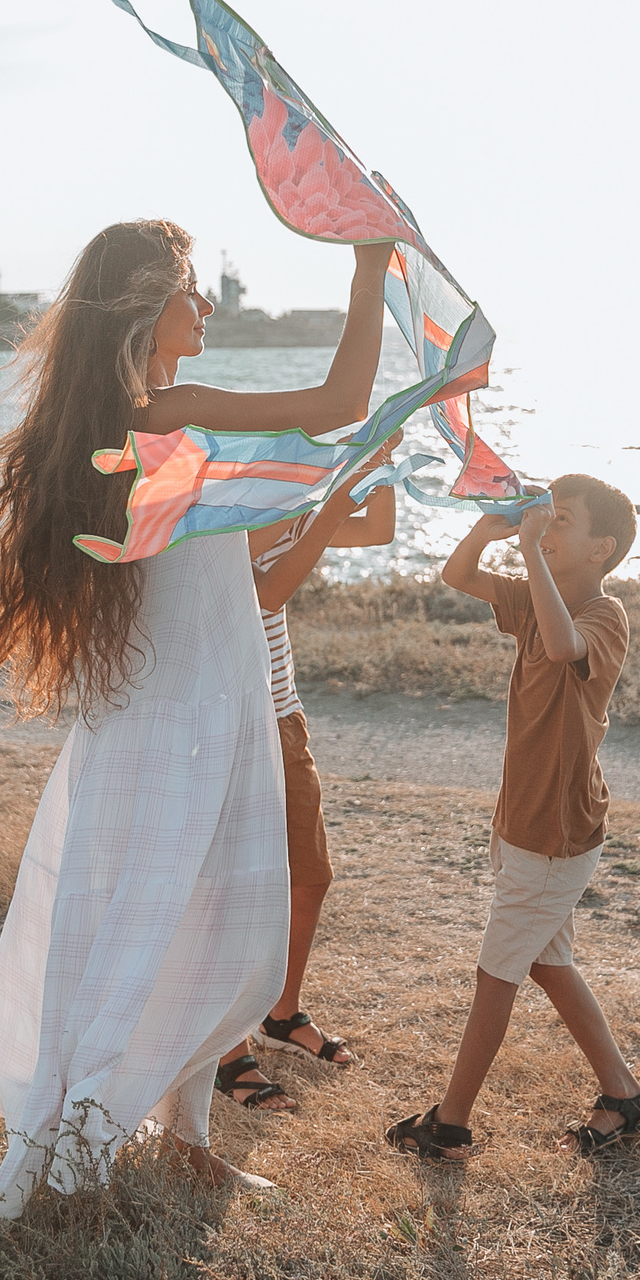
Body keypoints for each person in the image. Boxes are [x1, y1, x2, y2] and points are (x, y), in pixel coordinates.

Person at [0, 219, 395, 1217]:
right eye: (194, 288)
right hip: (189, 724)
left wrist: (344, 485)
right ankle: (94, 1128)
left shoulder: (134, 430)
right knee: (184, 921)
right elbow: (338, 402)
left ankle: (170, 1134)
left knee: (150, 920)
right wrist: (367, 271)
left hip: (163, 720)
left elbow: (255, 579)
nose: (210, 306)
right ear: (148, 304)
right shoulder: (170, 412)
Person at [384, 474, 640, 1162]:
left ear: (602, 548)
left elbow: (567, 649)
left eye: (563, 519)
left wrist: (532, 552)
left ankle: (449, 1123)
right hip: (522, 822)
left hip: (555, 833)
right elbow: (458, 572)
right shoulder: (535, 600)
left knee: (497, 971)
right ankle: (623, 1093)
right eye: (547, 515)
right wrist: (494, 527)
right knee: (548, 962)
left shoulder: (604, 615)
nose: (549, 526)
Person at [212, 444, 398, 1114]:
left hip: (285, 720)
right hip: (235, 729)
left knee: (309, 875)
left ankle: (281, 1014)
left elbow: (377, 530)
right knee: (240, 895)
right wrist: (328, 492)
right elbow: (270, 588)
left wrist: (379, 468)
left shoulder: (283, 518)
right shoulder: (221, 531)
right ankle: (227, 1052)